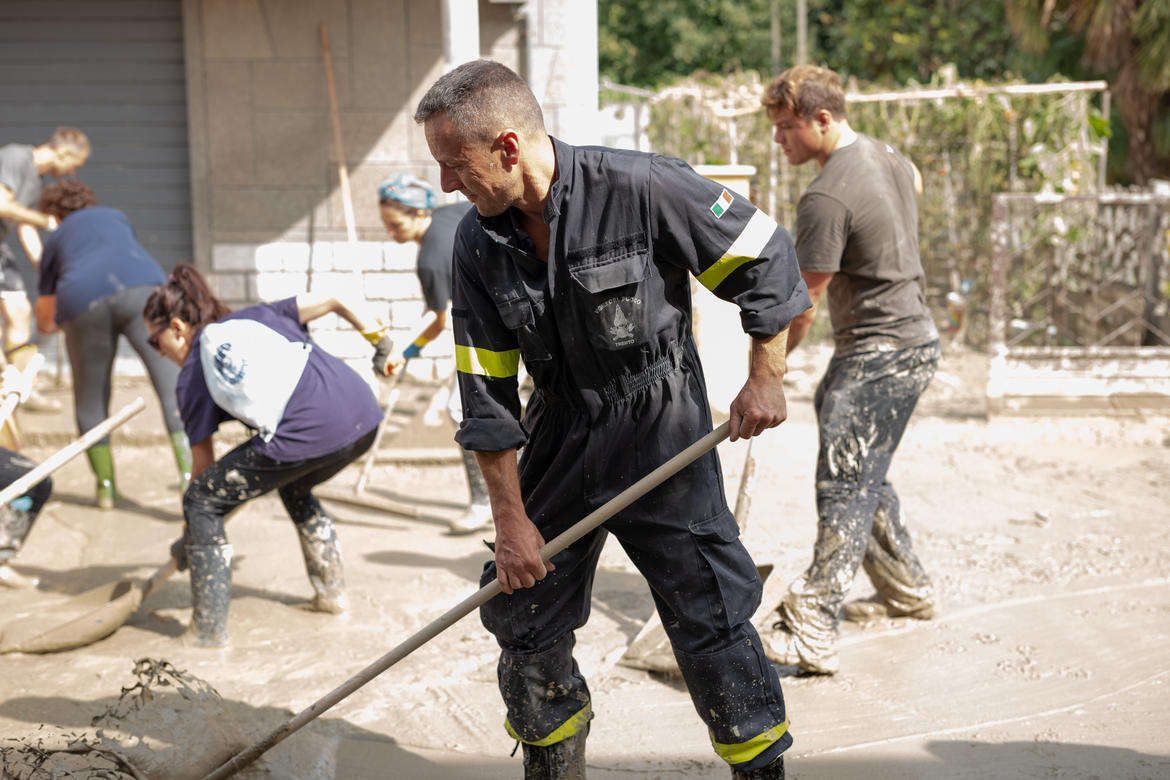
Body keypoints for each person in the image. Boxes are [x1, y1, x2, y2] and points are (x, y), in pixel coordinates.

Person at [414, 60, 811, 780]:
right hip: (559, 437)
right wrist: (510, 523)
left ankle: (760, 769)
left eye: (455, 165)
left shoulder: (644, 186)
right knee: (524, 618)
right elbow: (486, 393)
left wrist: (766, 376)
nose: (447, 185)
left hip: (663, 432)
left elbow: (765, 256)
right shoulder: (477, 243)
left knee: (710, 617)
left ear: (507, 147)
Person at [757, 65, 941, 675]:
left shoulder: (826, 195)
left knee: (843, 484)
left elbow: (804, 300)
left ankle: (813, 625)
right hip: (915, 340)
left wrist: (770, 371)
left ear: (822, 120)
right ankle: (906, 587)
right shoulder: (887, 156)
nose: (779, 140)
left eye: (786, 128)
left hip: (879, 351)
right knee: (865, 474)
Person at [142, 264, 390, 647]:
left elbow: (203, 473)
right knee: (293, 486)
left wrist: (192, 535)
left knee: (200, 500)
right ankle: (332, 595)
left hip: (311, 429)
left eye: (154, 342)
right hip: (364, 415)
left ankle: (207, 632)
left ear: (176, 328)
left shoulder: (193, 375)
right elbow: (336, 297)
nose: (158, 352)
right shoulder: (256, 316)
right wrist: (380, 344)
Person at [35, 180, 191, 508]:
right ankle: (192, 477)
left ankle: (106, 490)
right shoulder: (115, 216)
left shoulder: (56, 238)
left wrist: (49, 327)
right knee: (172, 383)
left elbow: (46, 311)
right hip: (142, 290)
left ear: (53, 214)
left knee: (90, 398)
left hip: (81, 301)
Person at [376, 173, 492, 535]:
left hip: (496, 328)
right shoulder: (451, 212)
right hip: (512, 308)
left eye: (395, 224)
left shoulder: (429, 258)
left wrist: (407, 352)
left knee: (462, 409)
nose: (391, 233)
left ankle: (486, 502)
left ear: (417, 213)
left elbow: (439, 322)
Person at [0, 127, 91, 413]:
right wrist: (47, 221)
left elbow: (24, 225)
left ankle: (21, 389)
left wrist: (45, 267)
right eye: (74, 165)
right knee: (15, 312)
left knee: (20, 312)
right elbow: (2, 204)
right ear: (64, 153)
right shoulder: (15, 156)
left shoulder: (35, 181)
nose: (72, 173)